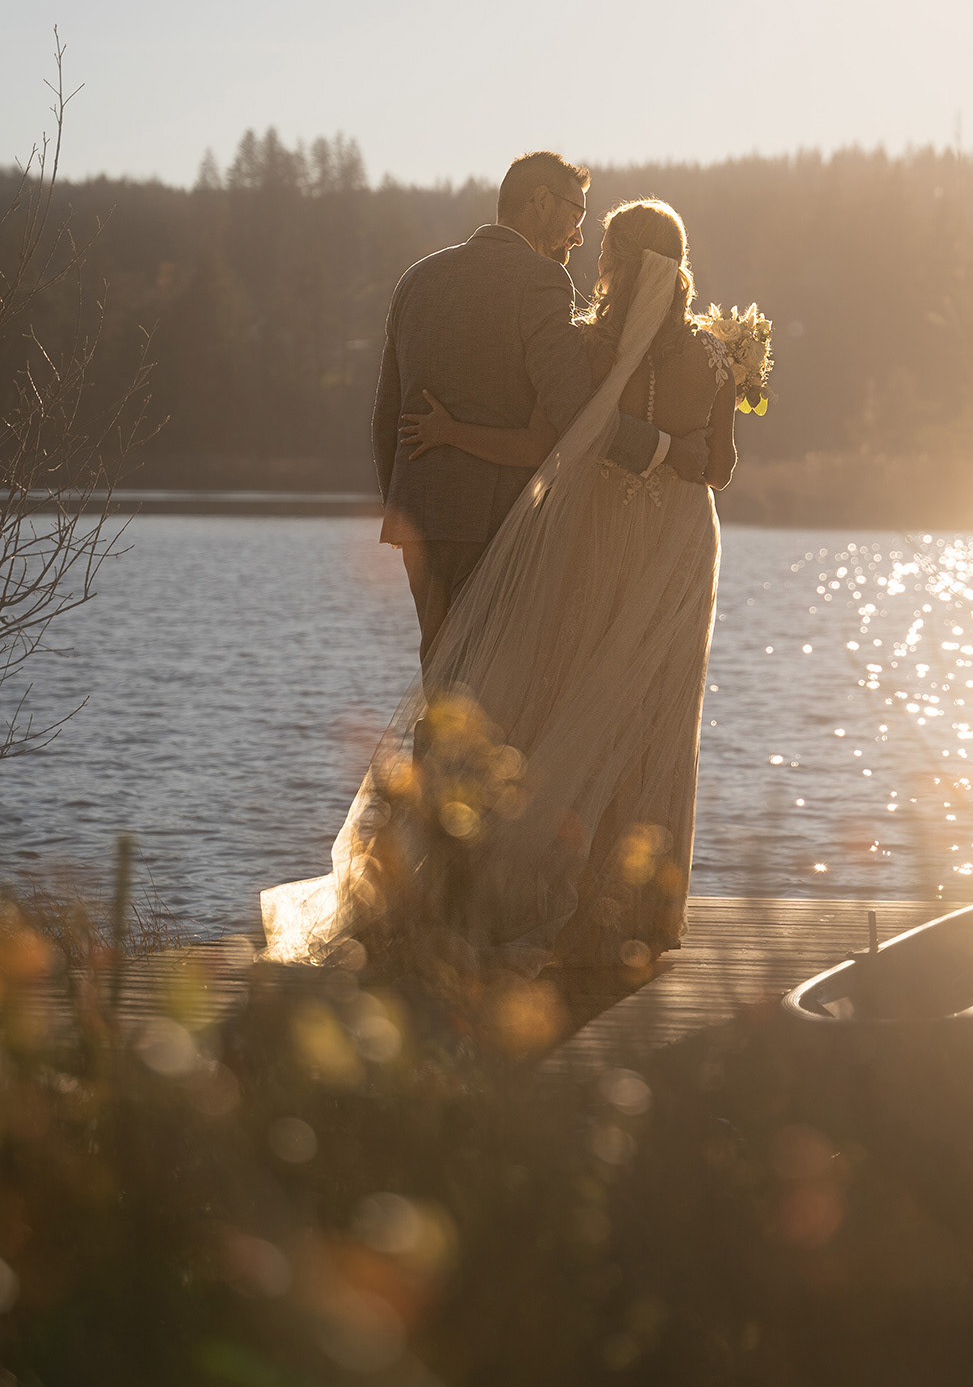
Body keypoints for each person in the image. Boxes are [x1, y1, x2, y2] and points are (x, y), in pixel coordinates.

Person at [262, 199, 745, 976]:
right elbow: (718, 469)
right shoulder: (718, 359)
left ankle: (525, 887)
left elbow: (551, 441)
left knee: (569, 695)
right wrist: (681, 451)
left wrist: (451, 435)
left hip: (597, 539)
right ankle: (641, 910)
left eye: (605, 249)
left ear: (620, 264)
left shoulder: (587, 349)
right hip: (677, 549)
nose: (594, 258)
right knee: (655, 711)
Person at [371, 150, 709, 663]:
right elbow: (576, 413)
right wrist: (666, 449)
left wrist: (402, 506)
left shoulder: (416, 278)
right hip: (498, 521)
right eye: (576, 215)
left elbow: (386, 418)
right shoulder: (541, 279)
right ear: (541, 201)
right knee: (487, 684)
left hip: (420, 518)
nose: (579, 237)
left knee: (439, 673)